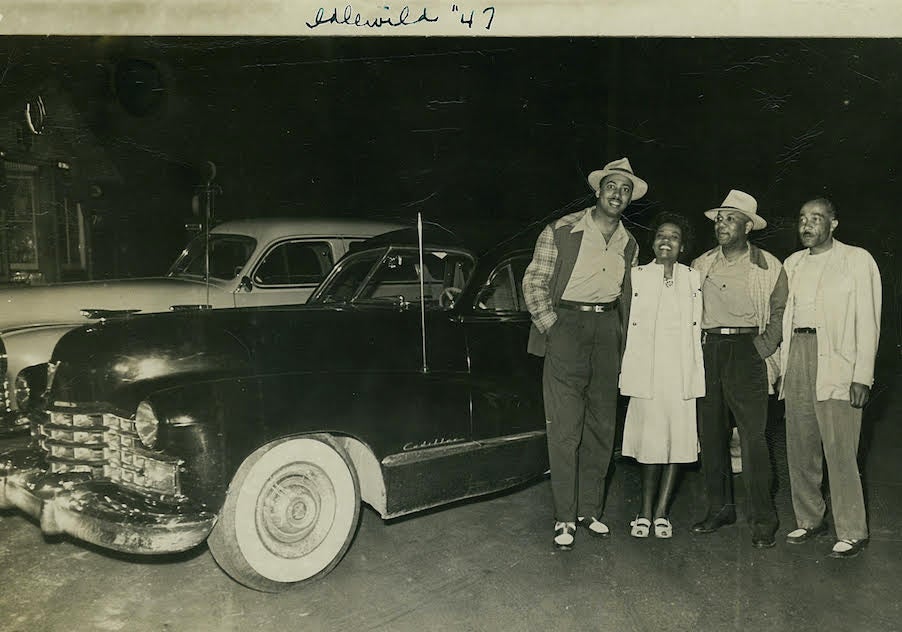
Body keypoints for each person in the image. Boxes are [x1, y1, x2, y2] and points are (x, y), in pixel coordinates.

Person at [523, 157, 645, 551]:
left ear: (630, 199)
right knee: (564, 428)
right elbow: (534, 281)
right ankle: (564, 516)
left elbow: (630, 297)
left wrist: (624, 339)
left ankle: (589, 511)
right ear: (598, 190)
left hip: (607, 330)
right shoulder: (561, 230)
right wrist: (553, 326)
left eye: (625, 190)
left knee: (602, 426)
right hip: (567, 325)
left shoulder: (630, 243)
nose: (617, 194)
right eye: (611, 186)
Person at [779, 197, 881, 559]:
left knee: (840, 449)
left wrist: (862, 375)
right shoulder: (792, 263)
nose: (807, 225)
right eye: (802, 218)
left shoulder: (857, 260)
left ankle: (852, 531)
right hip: (798, 354)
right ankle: (809, 519)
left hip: (838, 361)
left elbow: (868, 321)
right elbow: (782, 317)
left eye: (816, 218)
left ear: (833, 223)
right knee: (801, 444)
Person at [690, 189, 787, 548]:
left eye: (731, 219)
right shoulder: (701, 264)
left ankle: (763, 520)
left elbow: (779, 312)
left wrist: (761, 349)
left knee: (753, 439)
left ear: (748, 227)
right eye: (719, 219)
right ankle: (720, 509)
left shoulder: (769, 265)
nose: (722, 224)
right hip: (710, 349)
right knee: (710, 434)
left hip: (748, 350)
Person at [619, 212, 704, 539]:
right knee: (650, 444)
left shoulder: (693, 278)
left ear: (683, 246)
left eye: (674, 237)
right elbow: (624, 320)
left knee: (677, 443)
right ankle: (643, 511)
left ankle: (661, 513)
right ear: (653, 242)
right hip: (647, 374)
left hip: (680, 374)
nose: (666, 241)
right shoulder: (636, 276)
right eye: (661, 235)